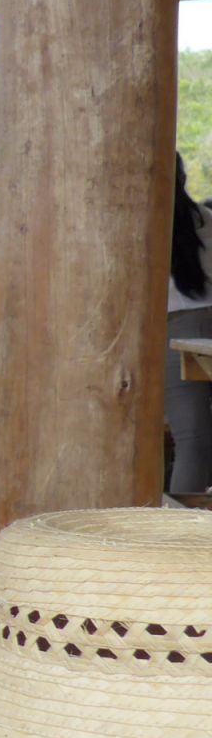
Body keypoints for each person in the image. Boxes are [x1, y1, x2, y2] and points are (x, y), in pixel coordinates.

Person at [167, 155, 212, 494]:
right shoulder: (206, 219)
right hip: (203, 323)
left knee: (192, 441)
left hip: (176, 328)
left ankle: (180, 524)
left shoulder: (141, 223)